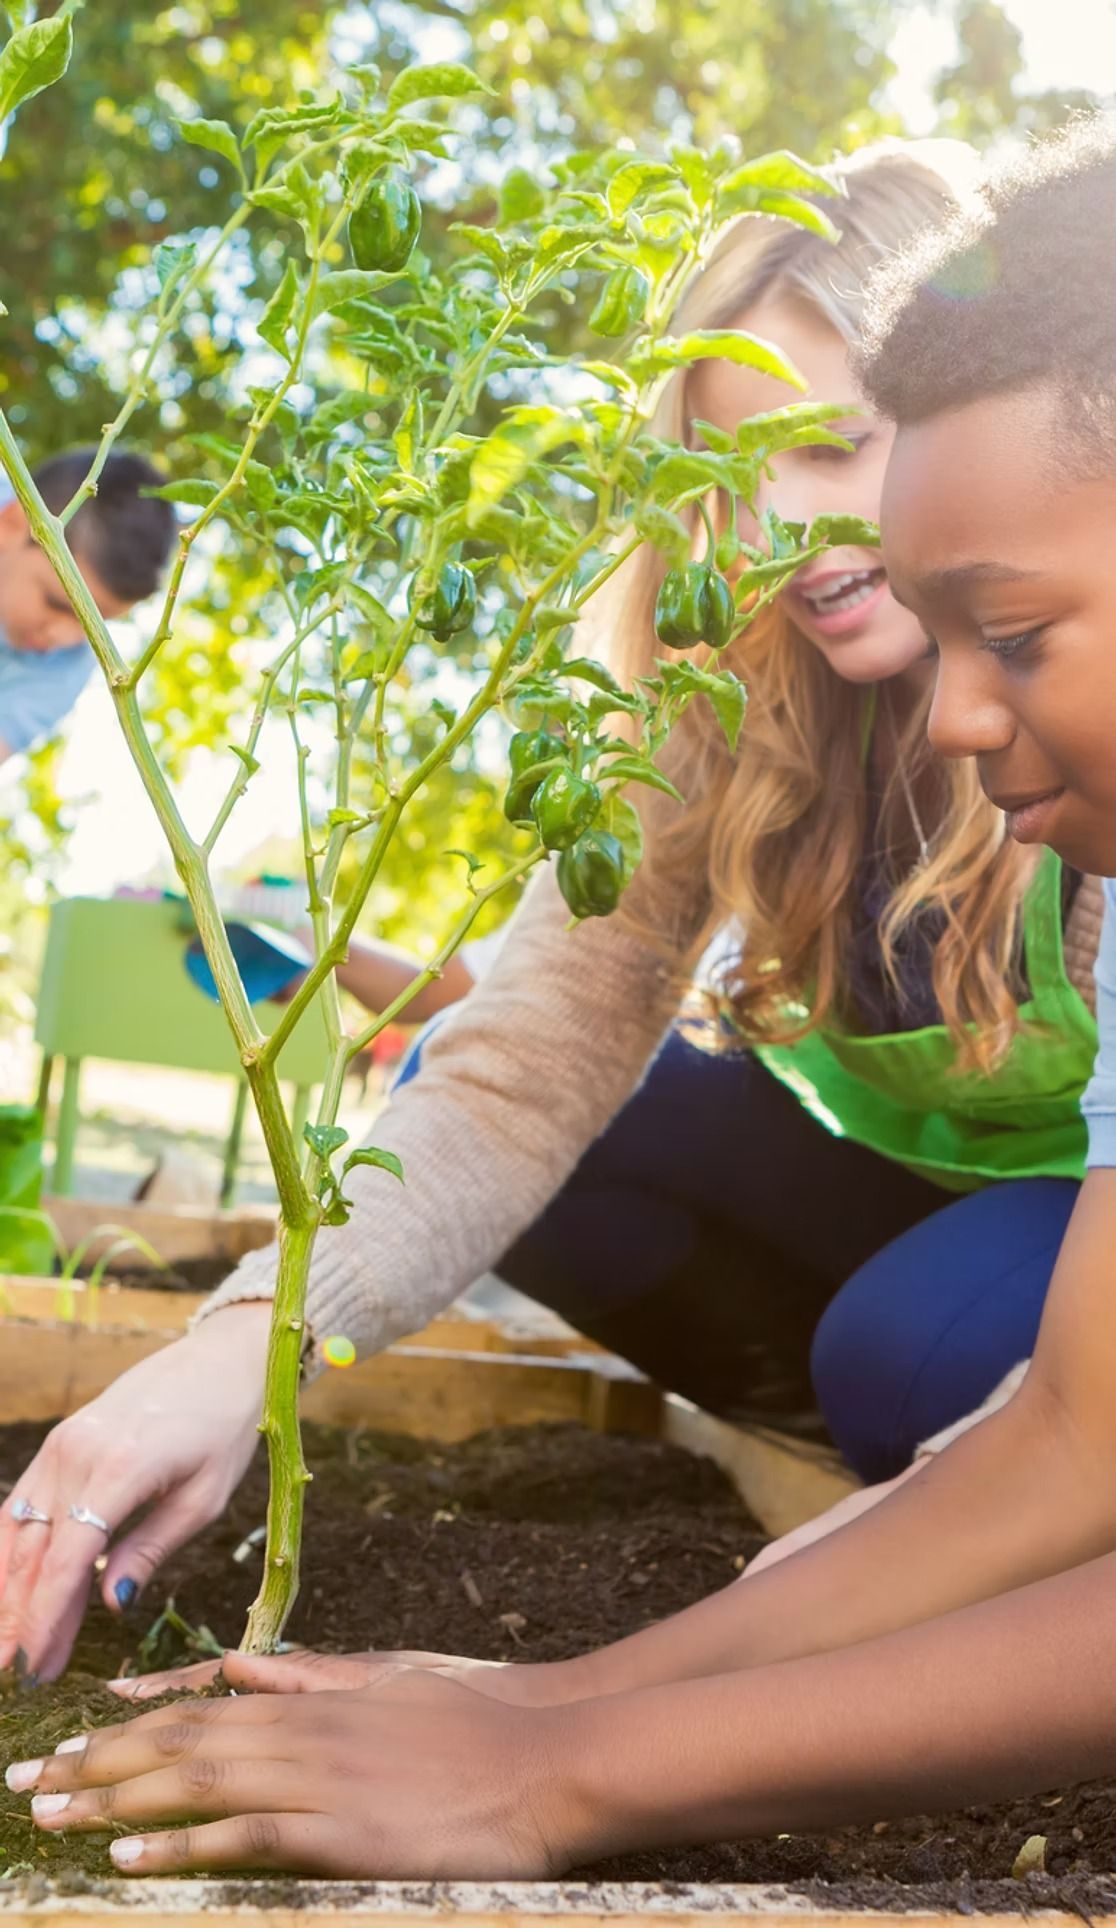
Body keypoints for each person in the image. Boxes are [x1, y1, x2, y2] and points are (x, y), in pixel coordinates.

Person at [17, 109, 1116, 1880]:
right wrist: (246, 1346)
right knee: (607, 1138)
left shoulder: (1081, 753)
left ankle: (906, 1414)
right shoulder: (717, 706)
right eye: (725, 470)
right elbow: (524, 1053)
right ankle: (867, 1429)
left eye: (836, 446)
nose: (788, 526)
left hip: (1057, 1241)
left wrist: (634, 1715)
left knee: (919, 1355)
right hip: (978, 1246)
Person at [0, 448, 176, 764]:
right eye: (55, 602)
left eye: (93, 624)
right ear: (10, 525)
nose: (62, 637)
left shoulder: (66, 668)